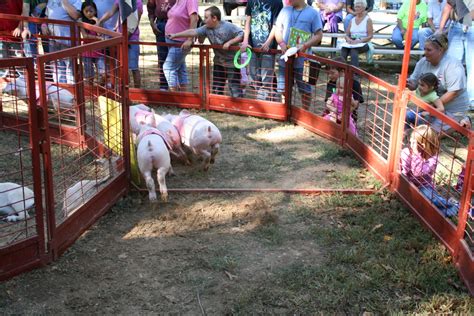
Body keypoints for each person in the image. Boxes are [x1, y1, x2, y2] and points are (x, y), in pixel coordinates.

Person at [168, 6, 244, 97]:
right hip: (219, 61)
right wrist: (175, 35)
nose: (204, 20)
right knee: (217, 86)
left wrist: (230, 42)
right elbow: (193, 32)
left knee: (234, 86)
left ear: (214, 18)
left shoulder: (228, 26)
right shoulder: (206, 28)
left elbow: (241, 34)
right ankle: (217, 105)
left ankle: (238, 105)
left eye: (206, 17)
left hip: (232, 62)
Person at [406, 33, 469, 132]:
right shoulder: (422, 62)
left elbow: (453, 92)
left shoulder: (453, 65)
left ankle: (462, 121)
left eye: (429, 50)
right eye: (425, 49)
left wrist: (431, 107)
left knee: (429, 135)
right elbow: (413, 85)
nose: (425, 52)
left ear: (440, 50)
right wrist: (408, 83)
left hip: (451, 109)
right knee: (406, 119)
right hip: (431, 107)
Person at [400, 124, 461, 216]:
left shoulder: (432, 159)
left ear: (423, 146)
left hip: (423, 186)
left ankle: (453, 205)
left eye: (414, 142)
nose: (410, 144)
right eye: (410, 140)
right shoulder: (406, 152)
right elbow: (403, 170)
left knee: (429, 197)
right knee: (422, 205)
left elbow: (417, 173)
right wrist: (406, 157)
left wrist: (416, 155)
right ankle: (440, 212)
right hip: (408, 184)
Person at [274, 0, 323, 109]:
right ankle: (285, 110)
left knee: (305, 89)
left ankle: (304, 113)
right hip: (285, 59)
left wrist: (304, 45)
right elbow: (278, 29)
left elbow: (318, 35)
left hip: (303, 60)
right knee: (283, 88)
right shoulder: (285, 10)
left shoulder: (313, 13)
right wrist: (281, 43)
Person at [240, 0, 283, 100]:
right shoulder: (251, 1)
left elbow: (276, 25)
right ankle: (260, 101)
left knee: (266, 78)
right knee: (253, 77)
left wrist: (268, 42)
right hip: (252, 46)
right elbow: (248, 21)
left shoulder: (277, 2)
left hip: (268, 48)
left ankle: (265, 103)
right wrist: (245, 40)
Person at [437, 0, 474, 110]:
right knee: (451, 63)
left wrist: (466, 22)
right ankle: (448, 96)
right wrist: (440, 29)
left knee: (472, 66)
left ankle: (471, 101)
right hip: (457, 25)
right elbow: (448, 6)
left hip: (471, 26)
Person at [100, 0, 143, 88]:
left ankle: (137, 92)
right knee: (122, 67)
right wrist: (100, 21)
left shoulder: (137, 2)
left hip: (132, 39)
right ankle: (125, 90)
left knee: (134, 68)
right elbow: (111, 12)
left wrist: (124, 38)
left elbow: (133, 24)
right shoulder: (120, 1)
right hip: (121, 38)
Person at [162, 0, 198, 92]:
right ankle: (183, 95)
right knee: (180, 68)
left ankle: (175, 97)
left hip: (181, 42)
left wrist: (190, 39)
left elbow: (194, 18)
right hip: (172, 40)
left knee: (168, 67)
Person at [43, 0, 82, 83]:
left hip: (69, 41)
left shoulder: (76, 1)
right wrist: (44, 25)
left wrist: (64, 1)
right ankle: (60, 91)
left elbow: (76, 15)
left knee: (70, 69)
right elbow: (47, 15)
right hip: (53, 40)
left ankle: (71, 92)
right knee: (57, 68)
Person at [324, 56, 364, 122]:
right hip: (332, 113)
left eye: (332, 73)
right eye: (328, 73)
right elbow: (328, 101)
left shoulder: (354, 84)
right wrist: (334, 112)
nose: (330, 76)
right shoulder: (331, 83)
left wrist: (344, 114)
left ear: (342, 71)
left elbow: (355, 104)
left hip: (348, 115)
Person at [147, 0, 176, 91]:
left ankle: (176, 86)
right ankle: (164, 86)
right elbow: (150, 6)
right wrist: (152, 23)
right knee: (162, 56)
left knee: (176, 55)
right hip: (161, 23)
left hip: (175, 23)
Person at [322, 66, 358, 135]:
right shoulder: (334, 94)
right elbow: (328, 102)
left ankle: (354, 136)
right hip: (334, 112)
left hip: (346, 114)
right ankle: (331, 132)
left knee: (349, 124)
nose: (338, 89)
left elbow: (354, 105)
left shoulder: (351, 91)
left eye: (341, 88)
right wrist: (333, 109)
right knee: (328, 119)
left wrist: (345, 113)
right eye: (337, 87)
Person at [340, 0, 373, 67]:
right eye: (355, 7)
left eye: (358, 7)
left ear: (364, 8)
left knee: (354, 51)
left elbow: (370, 36)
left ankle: (355, 73)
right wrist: (348, 39)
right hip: (352, 41)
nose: (356, 8)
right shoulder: (352, 20)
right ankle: (340, 70)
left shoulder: (368, 20)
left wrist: (359, 41)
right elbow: (346, 34)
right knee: (344, 49)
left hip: (364, 42)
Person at [79, 0, 103, 83]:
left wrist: (97, 22)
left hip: (98, 51)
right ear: (83, 12)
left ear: (95, 11)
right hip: (87, 51)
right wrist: (97, 38)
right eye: (86, 11)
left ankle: (101, 89)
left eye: (91, 11)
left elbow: (100, 33)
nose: (89, 13)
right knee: (88, 74)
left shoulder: (98, 21)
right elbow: (85, 36)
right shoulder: (81, 23)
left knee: (102, 72)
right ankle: (89, 89)